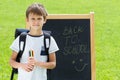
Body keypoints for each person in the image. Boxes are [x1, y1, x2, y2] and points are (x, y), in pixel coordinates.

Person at [9, 3, 59, 80]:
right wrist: (23, 66)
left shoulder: (48, 40)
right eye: (33, 19)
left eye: (39, 18)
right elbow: (12, 61)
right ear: (27, 20)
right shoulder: (21, 39)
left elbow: (53, 64)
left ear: (44, 20)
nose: (36, 22)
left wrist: (37, 63)